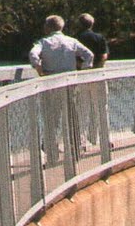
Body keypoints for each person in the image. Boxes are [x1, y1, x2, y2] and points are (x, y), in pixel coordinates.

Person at [75, 13, 110, 147]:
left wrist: (84, 68)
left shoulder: (76, 38)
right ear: (92, 24)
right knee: (101, 108)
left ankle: (81, 142)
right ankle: (105, 140)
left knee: (82, 110)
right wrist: (96, 69)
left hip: (82, 77)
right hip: (98, 76)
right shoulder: (99, 37)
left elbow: (75, 58)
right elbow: (103, 56)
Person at [28, 15, 93, 76]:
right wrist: (83, 67)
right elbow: (89, 55)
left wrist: (39, 69)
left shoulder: (43, 42)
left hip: (50, 79)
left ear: (48, 27)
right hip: (70, 78)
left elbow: (33, 53)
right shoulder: (72, 42)